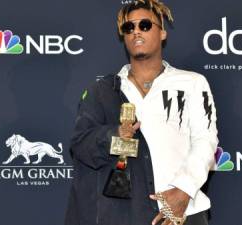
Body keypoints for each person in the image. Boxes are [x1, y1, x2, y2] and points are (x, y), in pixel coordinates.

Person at [64, 0, 218, 224]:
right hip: (124, 215)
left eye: (145, 25)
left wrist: (183, 192)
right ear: (123, 36)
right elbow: (80, 145)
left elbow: (205, 140)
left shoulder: (192, 83)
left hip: (185, 212)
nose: (136, 31)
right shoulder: (102, 91)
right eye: (129, 27)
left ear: (162, 32)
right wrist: (114, 135)